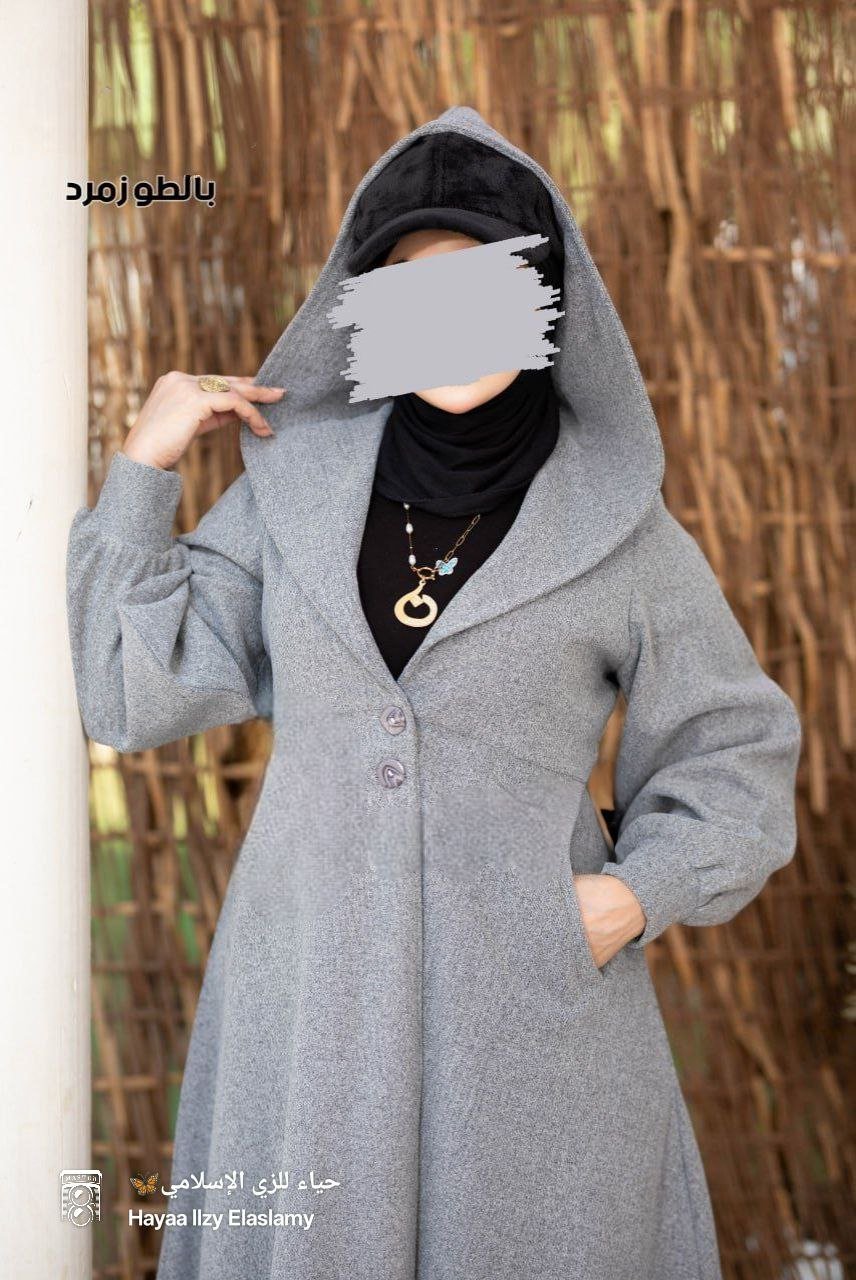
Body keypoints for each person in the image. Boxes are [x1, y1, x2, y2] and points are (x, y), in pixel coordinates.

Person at [66, 106, 802, 1280]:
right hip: (307, 1018)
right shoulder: (290, 497)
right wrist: (143, 469)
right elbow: (128, 693)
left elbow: (736, 753)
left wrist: (625, 898)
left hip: (530, 1035)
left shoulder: (621, 530)